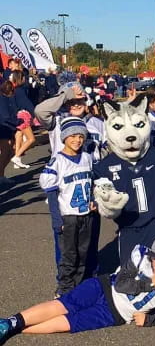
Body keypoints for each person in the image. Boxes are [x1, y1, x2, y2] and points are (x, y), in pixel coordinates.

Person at [0, 235, 155, 342]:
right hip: (104, 286)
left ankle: (13, 329)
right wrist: (149, 284)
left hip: (116, 313)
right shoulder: (140, 255)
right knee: (63, 305)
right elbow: (122, 284)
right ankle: (10, 322)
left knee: (70, 323)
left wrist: (150, 320)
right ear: (151, 255)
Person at [39, 117, 95, 296]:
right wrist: (57, 219)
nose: (77, 140)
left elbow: (91, 183)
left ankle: (77, 287)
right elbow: (52, 193)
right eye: (72, 136)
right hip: (68, 216)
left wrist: (93, 199)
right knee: (69, 256)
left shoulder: (87, 157)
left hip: (86, 214)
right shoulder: (58, 161)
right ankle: (64, 289)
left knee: (83, 253)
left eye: (80, 136)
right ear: (64, 137)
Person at [35, 83, 106, 162]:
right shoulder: (57, 121)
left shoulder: (98, 123)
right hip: (63, 171)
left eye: (79, 100)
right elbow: (39, 111)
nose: (76, 105)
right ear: (64, 104)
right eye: (71, 102)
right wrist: (65, 95)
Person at [10, 70, 36, 169]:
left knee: (19, 137)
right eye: (23, 77)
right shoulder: (21, 91)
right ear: (20, 79)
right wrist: (34, 113)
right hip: (23, 115)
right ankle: (17, 157)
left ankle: (17, 160)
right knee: (31, 139)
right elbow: (26, 104)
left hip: (17, 115)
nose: (25, 78)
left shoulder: (13, 90)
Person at [0, 81, 17, 186]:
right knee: (6, 151)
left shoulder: (6, 99)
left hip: (8, 127)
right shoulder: (2, 99)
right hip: (3, 127)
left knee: (12, 150)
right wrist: (17, 121)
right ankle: (1, 175)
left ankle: (1, 173)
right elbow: (5, 116)